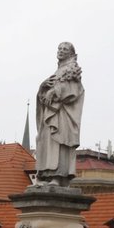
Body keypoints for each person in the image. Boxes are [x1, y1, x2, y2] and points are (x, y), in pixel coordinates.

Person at [35, 42, 84, 187]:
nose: (61, 51)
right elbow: (45, 92)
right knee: (47, 143)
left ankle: (58, 176)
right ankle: (45, 175)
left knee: (59, 143)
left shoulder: (72, 69)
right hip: (50, 113)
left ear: (70, 53)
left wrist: (55, 91)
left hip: (62, 116)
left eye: (65, 49)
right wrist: (42, 87)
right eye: (59, 48)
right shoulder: (58, 71)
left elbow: (74, 90)